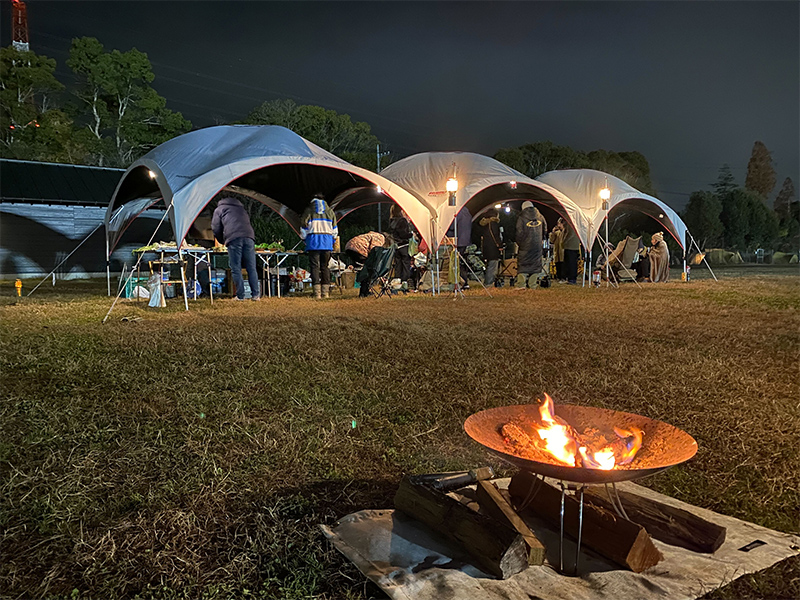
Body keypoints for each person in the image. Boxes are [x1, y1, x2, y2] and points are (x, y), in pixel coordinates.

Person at [211, 195, 260, 301]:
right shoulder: (241, 209)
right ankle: (256, 295)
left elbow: (215, 227)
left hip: (234, 238)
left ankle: (240, 295)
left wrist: (221, 241)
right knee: (251, 267)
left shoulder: (220, 209)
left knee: (236, 267)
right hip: (249, 237)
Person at [300, 194, 338, 299]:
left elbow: (303, 228)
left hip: (313, 243)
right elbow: (335, 230)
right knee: (325, 267)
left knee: (314, 267)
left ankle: (317, 293)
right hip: (327, 243)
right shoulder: (330, 211)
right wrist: (332, 240)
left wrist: (304, 240)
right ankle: (325, 293)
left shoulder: (308, 211)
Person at [515, 201, 546, 288]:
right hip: (537, 245)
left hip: (525, 245)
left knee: (523, 263)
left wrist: (520, 243)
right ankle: (533, 284)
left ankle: (521, 284)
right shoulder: (540, 216)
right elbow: (545, 229)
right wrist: (541, 239)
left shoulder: (521, 218)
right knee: (535, 264)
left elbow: (519, 232)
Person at [445, 206, 473, 289]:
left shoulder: (456, 213)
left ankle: (461, 282)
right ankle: (464, 282)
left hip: (457, 240)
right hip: (465, 240)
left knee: (455, 262)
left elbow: (452, 227)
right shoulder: (467, 212)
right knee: (460, 262)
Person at [388, 204, 413, 285]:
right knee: (406, 263)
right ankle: (405, 281)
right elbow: (404, 234)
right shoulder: (402, 221)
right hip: (404, 245)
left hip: (396, 246)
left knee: (398, 264)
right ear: (400, 211)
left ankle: (397, 279)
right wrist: (411, 234)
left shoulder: (391, 220)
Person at [477, 209, 503, 286]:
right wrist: (499, 245)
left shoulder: (485, 224)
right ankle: (489, 283)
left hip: (486, 247)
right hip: (493, 248)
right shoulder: (493, 224)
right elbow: (495, 235)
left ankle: (488, 281)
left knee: (489, 265)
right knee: (492, 266)